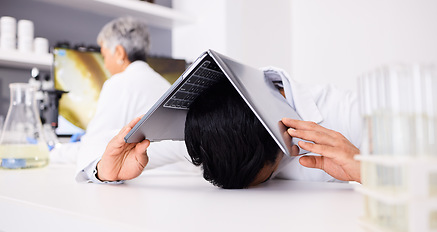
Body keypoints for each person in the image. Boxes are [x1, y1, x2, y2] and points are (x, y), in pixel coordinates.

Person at [76, 67, 362, 188]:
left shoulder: (350, 114)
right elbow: (91, 146)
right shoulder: (209, 132)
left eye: (266, 175)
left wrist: (366, 169)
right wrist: (104, 171)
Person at [51, 17, 171, 163]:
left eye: (104, 56)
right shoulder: (164, 84)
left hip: (147, 177)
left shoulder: (119, 82)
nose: (106, 65)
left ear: (120, 53)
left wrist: (52, 153)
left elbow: (93, 150)